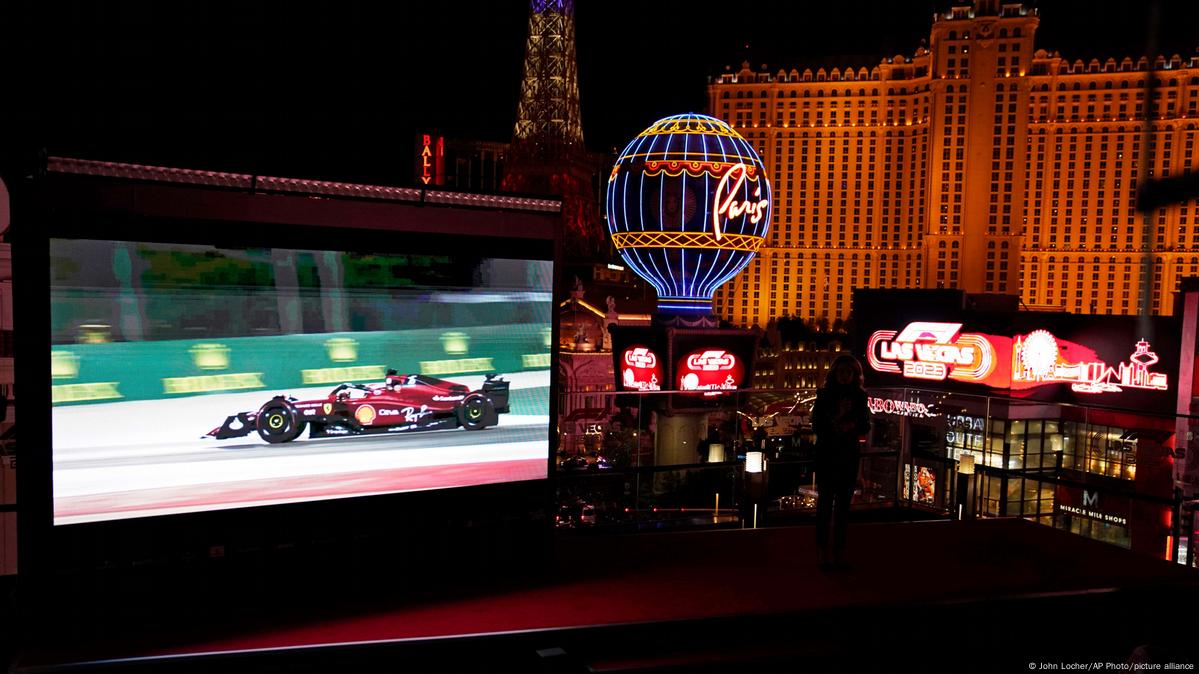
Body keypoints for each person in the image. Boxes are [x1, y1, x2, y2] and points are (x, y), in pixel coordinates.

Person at [811, 353, 871, 571]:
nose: (845, 375)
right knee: (825, 504)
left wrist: (852, 425)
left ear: (855, 375)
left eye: (849, 372)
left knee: (843, 506)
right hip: (828, 453)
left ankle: (839, 552)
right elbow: (816, 425)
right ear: (834, 373)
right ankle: (822, 551)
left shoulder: (860, 397)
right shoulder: (824, 395)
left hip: (848, 454)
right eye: (842, 371)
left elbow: (865, 426)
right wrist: (838, 420)